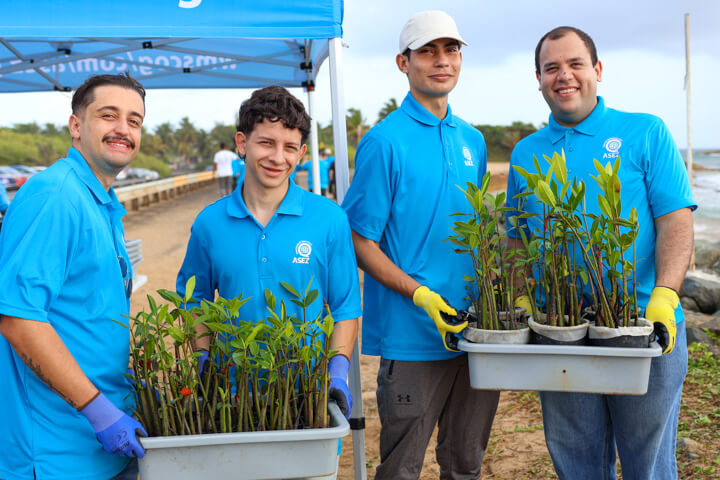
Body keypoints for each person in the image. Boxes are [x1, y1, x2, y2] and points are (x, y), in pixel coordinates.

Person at [506, 26, 695, 480]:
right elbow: (516, 241)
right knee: (576, 461)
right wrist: (520, 299)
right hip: (561, 334)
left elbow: (675, 220)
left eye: (575, 64)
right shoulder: (525, 154)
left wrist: (666, 296)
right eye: (552, 67)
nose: (564, 76)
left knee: (647, 464)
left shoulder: (645, 131)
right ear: (538, 78)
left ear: (598, 70)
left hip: (647, 329)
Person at [341, 10, 499, 479]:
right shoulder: (385, 142)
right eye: (427, 50)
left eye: (451, 49)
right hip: (412, 336)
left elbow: (478, 232)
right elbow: (358, 239)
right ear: (402, 62)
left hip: (475, 336)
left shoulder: (472, 139)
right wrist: (420, 294)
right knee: (402, 468)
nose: (441, 61)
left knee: (466, 463)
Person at [176, 86, 361, 430]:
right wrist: (204, 360)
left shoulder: (329, 218)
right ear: (242, 144)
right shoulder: (209, 223)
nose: (278, 157)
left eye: (290, 147)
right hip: (232, 402)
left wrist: (337, 372)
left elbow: (346, 308)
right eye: (266, 143)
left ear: (302, 152)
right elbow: (194, 301)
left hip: (307, 393)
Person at [0, 73, 148, 480]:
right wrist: (99, 412)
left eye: (134, 121)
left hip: (100, 446)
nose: (123, 129)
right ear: (76, 125)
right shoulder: (56, 196)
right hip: (55, 453)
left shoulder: (100, 201)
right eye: (109, 115)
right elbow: (18, 319)